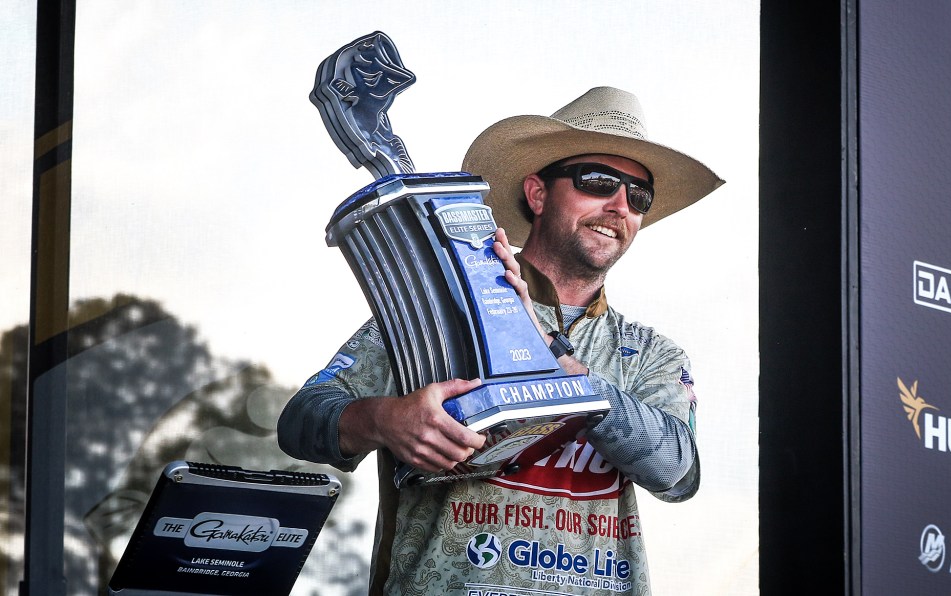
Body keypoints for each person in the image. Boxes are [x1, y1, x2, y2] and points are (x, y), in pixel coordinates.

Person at [278, 86, 723, 595]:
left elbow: (677, 474)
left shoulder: (651, 353)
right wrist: (385, 419)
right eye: (599, 182)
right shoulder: (437, 308)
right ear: (537, 194)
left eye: (639, 196)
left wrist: (551, 350)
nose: (620, 206)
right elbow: (300, 421)